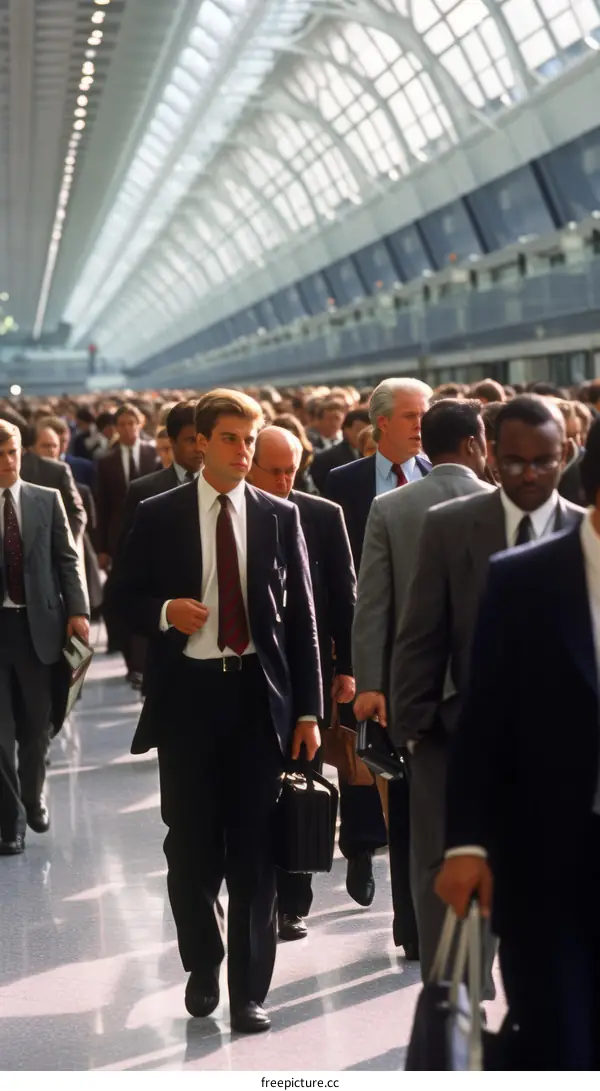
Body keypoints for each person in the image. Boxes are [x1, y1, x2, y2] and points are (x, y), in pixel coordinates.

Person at [114, 390, 322, 1034]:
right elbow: (119, 601)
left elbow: (305, 624)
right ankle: (203, 959)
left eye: (250, 441)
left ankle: (249, 992)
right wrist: (164, 613)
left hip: (259, 699)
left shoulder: (278, 517)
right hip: (189, 699)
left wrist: (310, 711)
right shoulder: (159, 514)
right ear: (201, 441)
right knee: (192, 846)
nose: (243, 451)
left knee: (256, 852)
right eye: (230, 439)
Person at [391, 395, 585, 982]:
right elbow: (421, 633)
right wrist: (417, 728)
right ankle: (459, 1011)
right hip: (458, 738)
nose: (530, 474)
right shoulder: (451, 527)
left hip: (560, 757)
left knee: (545, 898)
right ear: (491, 456)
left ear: (565, 456)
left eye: (544, 462)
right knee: (454, 890)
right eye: (517, 461)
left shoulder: (584, 532)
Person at [435, 418, 600, 1069]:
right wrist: (467, 845)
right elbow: (484, 722)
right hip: (545, 853)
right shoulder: (524, 580)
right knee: (562, 1033)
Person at [353, 399, 491, 968]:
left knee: (416, 817)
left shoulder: (390, 508)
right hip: (491, 688)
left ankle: (413, 929)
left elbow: (373, 604)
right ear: (477, 443)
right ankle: (482, 944)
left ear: (425, 446)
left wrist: (370, 683)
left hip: (416, 689)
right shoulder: (502, 506)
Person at [324, 377, 431, 913]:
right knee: (364, 749)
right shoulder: (340, 482)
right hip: (362, 638)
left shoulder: (441, 479)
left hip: (423, 644)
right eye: (411, 416)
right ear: (382, 423)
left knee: (414, 762)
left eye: (425, 416)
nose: (420, 426)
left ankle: (412, 889)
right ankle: (363, 845)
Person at [247, 426, 356, 941]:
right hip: (247, 676)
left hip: (305, 676)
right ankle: (255, 891)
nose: (284, 480)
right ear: (250, 463)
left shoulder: (320, 515)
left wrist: (348, 669)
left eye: (292, 469)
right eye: (274, 470)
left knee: (302, 785)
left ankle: (293, 902)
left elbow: (343, 598)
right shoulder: (234, 514)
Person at [0, 421, 89, 855]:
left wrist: (79, 611)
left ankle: (34, 796)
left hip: (38, 629)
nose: (6, 461)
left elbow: (68, 560)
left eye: (12, 452)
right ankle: (10, 821)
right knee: (0, 733)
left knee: (37, 728)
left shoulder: (45, 500)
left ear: (21, 452)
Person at [115, 403, 203, 689]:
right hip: (169, 636)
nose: (199, 447)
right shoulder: (145, 492)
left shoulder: (234, 489)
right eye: (191, 440)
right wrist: (162, 614)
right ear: (172, 441)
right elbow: (128, 576)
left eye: (204, 438)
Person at [97, 404, 159, 670]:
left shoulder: (153, 453)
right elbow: (102, 506)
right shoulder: (106, 460)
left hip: (151, 531)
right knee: (121, 591)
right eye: (121, 424)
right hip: (118, 535)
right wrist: (101, 547)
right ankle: (126, 649)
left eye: (131, 423)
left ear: (140, 423)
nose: (127, 429)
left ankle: (144, 654)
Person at [310, 409, 370, 493]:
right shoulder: (326, 458)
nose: (364, 435)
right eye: (359, 430)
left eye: (369, 431)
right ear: (346, 430)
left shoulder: (379, 455)